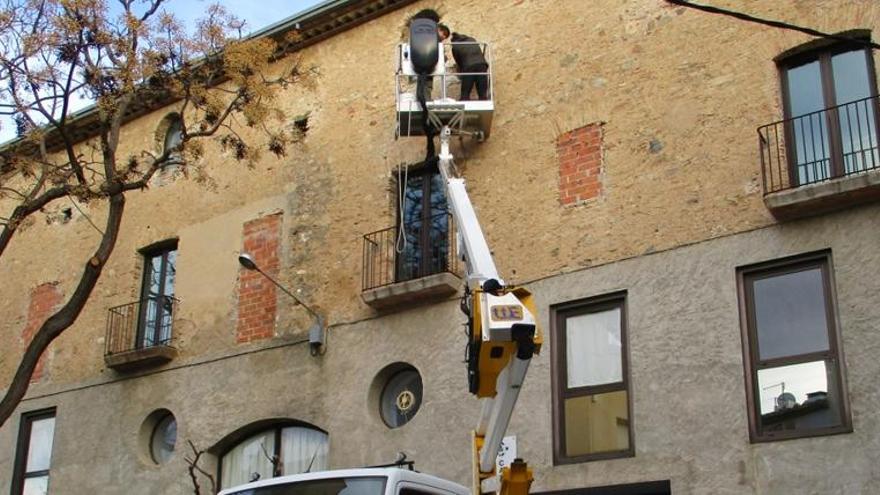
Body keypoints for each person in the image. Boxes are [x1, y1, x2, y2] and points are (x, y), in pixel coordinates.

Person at [437, 24, 489, 101]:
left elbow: (459, 63)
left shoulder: (455, 46)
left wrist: (459, 73)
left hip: (469, 67)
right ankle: (483, 100)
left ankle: (464, 100)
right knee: (482, 94)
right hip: (482, 65)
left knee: (465, 94)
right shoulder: (472, 39)